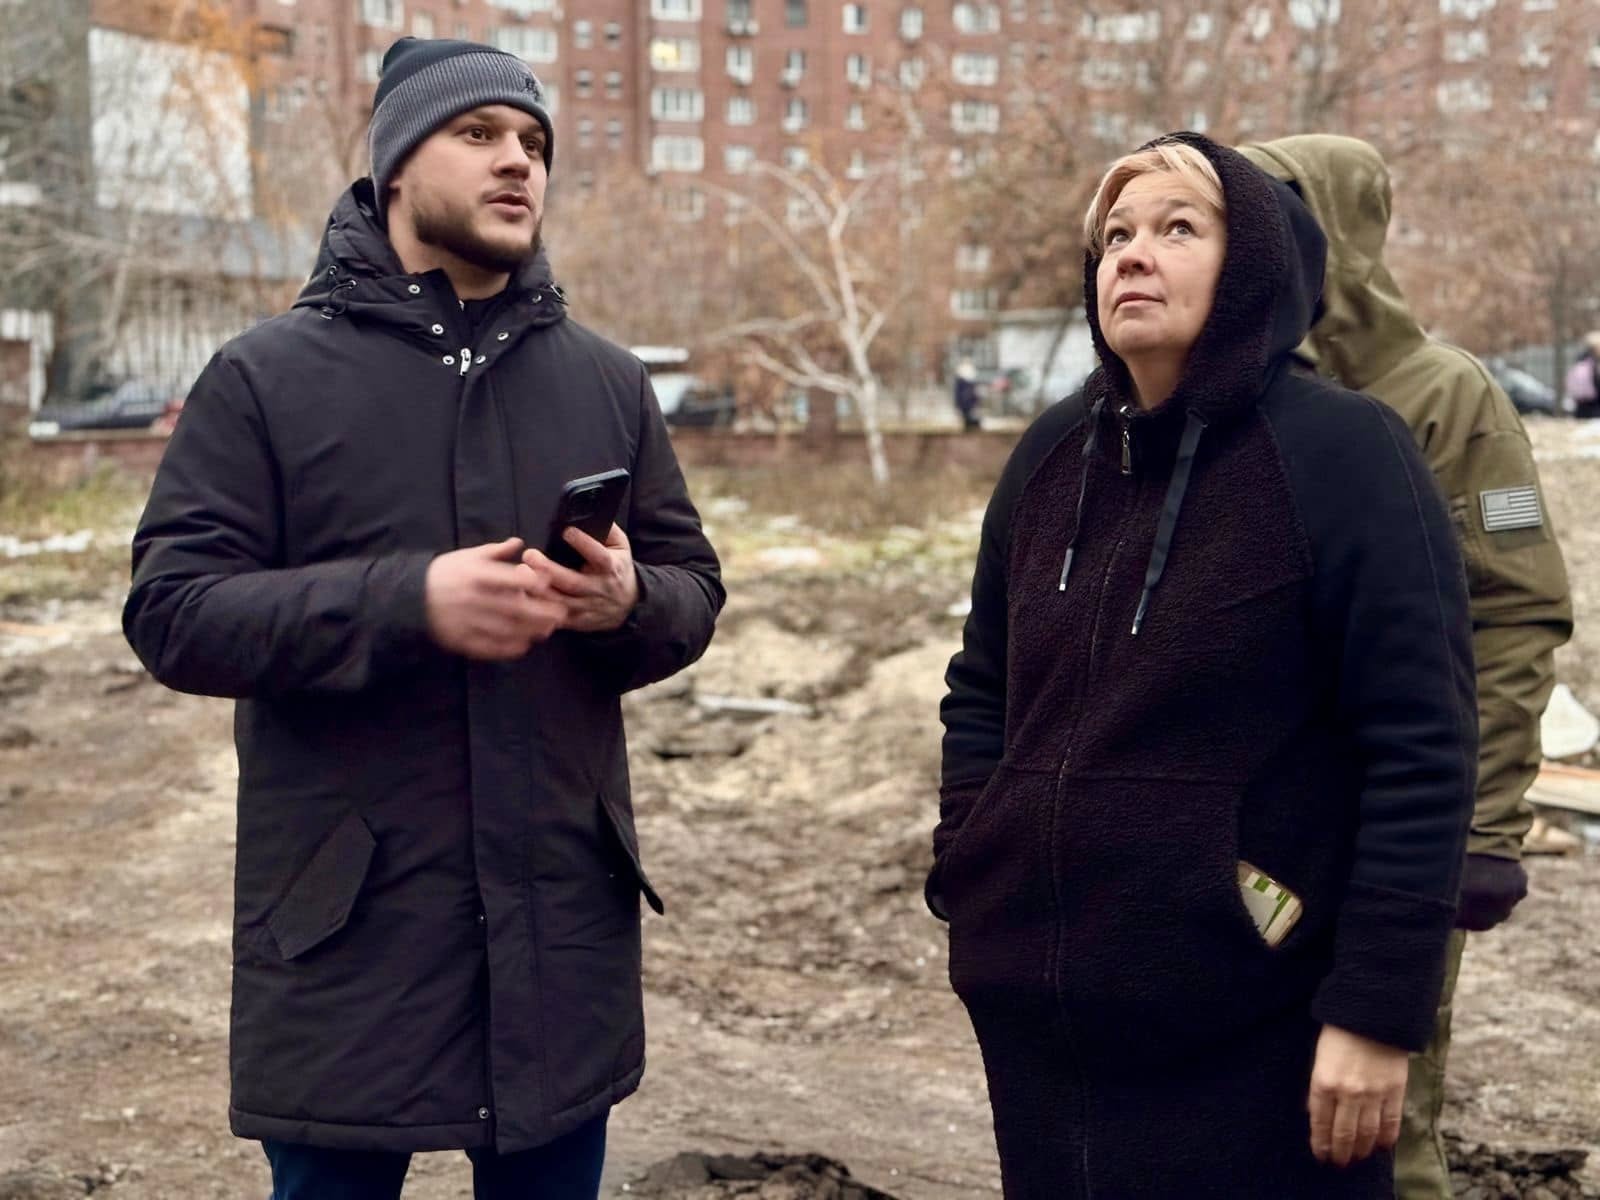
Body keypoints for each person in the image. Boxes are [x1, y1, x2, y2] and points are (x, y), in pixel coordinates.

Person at [122, 37, 724, 1200]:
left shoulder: (606, 381)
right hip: (348, 929)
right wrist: (409, 602)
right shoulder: (264, 379)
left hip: (557, 930)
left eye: (534, 143)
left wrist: (629, 600)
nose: (518, 163)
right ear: (396, 162)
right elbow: (174, 611)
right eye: (479, 134)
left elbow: (692, 588)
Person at [928, 132, 1476, 1198]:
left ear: (1254, 265)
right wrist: (974, 864)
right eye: (1115, 236)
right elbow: (981, 687)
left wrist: (1375, 1010)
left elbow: (1422, 746)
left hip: (1253, 1021)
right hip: (1041, 1017)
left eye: (1179, 228)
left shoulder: (1346, 453)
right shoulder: (1050, 456)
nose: (1133, 254)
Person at [1239, 134, 1574, 1200]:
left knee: (1376, 1125)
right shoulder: (1237, 389)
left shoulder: (1443, 397)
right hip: (1254, 836)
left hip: (1397, 834)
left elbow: (1511, 614)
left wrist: (1484, 831)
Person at [953, 359, 981, 430]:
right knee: (967, 418)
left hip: (968, 404)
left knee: (969, 418)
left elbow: (974, 393)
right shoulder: (962, 381)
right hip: (966, 404)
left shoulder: (966, 380)